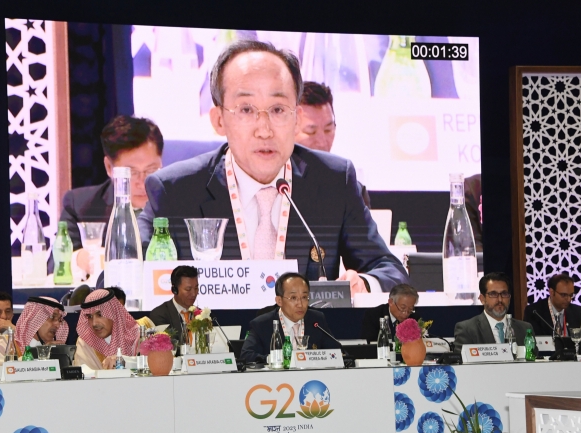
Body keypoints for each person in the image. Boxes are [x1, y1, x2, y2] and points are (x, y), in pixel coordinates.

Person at [139, 40, 407, 295]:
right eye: (245, 109)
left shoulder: (333, 181)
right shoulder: (175, 191)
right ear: (219, 119)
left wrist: (364, 284)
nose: (264, 130)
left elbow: (390, 271)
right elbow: (123, 275)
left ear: (296, 119)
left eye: (278, 109)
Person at [57, 115, 164, 276]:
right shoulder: (80, 205)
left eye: (151, 170)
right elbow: (57, 263)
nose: (142, 183)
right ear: (109, 167)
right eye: (131, 172)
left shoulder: (178, 203)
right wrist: (89, 259)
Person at [294, 81, 371, 207]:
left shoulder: (352, 192)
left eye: (328, 130)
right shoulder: (272, 189)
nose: (322, 142)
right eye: (311, 132)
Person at [241, 272, 341, 362]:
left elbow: (337, 352)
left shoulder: (316, 320)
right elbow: (246, 355)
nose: (300, 304)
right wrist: (272, 358)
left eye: (304, 297)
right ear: (279, 301)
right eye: (293, 298)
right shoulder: (262, 324)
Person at [0, 297, 68, 380]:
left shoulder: (53, 349)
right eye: (52, 317)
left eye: (59, 320)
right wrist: (37, 357)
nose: (57, 324)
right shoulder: (4, 343)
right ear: (34, 319)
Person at [453, 272, 534, 353]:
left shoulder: (524, 329)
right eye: (493, 294)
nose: (500, 299)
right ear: (482, 299)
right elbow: (462, 361)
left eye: (504, 294)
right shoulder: (467, 329)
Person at [74, 289, 140, 370]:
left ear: (113, 313)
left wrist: (125, 362)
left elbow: (152, 364)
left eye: (100, 314)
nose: (94, 323)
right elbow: (84, 377)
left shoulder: (139, 333)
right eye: (89, 317)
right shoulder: (85, 341)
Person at [149, 266, 198, 344]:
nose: (194, 294)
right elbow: (169, 345)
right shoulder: (160, 314)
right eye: (188, 289)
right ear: (174, 290)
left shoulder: (201, 314)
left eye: (196, 288)